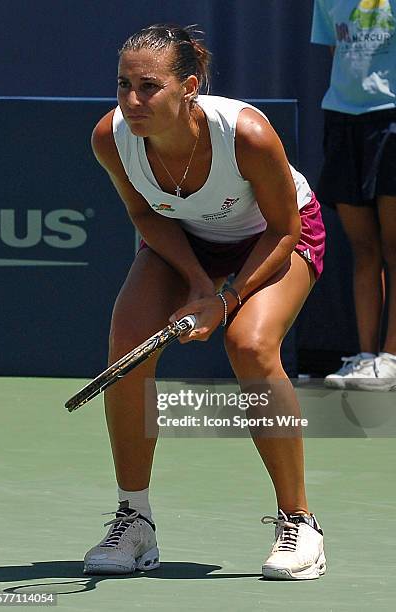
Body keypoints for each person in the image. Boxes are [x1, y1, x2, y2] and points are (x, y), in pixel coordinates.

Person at [83, 24, 326, 580]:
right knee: (128, 348)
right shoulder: (110, 137)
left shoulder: (246, 134)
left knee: (251, 345)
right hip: (183, 240)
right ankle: (133, 520)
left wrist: (227, 298)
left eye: (149, 87)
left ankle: (300, 522)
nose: (132, 101)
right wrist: (197, 283)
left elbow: (285, 228)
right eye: (123, 85)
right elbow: (144, 216)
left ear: (189, 86)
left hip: (274, 236)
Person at [312, 0, 396, 391]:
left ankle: (391, 359)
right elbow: (336, 52)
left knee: (395, 247)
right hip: (342, 121)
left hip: (391, 119)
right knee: (363, 248)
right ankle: (365, 358)